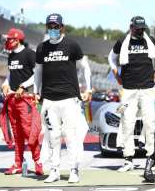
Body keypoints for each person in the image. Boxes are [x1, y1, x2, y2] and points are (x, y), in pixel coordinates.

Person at [34, 13, 92, 183]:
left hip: (69, 98)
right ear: (47, 27)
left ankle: (74, 169)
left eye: (56, 26)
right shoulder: (41, 48)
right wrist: (37, 91)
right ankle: (54, 170)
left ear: (62, 27)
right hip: (49, 99)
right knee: (53, 136)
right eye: (50, 26)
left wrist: (87, 88)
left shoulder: (72, 45)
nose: (53, 29)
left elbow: (85, 68)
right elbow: (37, 71)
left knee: (71, 136)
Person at [107, 16, 155, 179]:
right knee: (127, 123)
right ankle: (128, 160)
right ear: (131, 27)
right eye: (137, 29)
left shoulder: (150, 40)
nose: (140, 31)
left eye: (142, 29)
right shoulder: (122, 42)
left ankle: (151, 158)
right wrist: (115, 73)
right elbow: (111, 57)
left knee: (149, 123)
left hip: (147, 88)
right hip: (128, 89)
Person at [0, 28, 43, 175]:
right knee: (17, 133)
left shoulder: (30, 54)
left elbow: (37, 74)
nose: (7, 42)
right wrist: (5, 83)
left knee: (29, 132)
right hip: (12, 100)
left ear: (17, 39)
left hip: (26, 100)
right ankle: (18, 163)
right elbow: (11, 74)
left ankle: (38, 162)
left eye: (9, 39)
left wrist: (23, 86)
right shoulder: (11, 56)